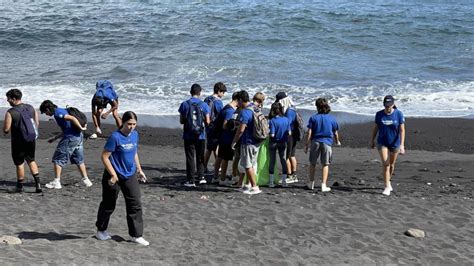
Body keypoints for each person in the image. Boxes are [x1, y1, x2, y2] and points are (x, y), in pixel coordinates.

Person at [95, 111, 149, 246]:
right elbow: (104, 156)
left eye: (134, 124)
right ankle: (101, 230)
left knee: (135, 204)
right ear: (123, 123)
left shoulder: (135, 135)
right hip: (114, 175)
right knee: (108, 204)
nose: (131, 127)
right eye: (129, 124)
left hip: (129, 175)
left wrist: (139, 170)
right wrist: (113, 175)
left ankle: (136, 235)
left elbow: (134, 152)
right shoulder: (115, 137)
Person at [39, 100, 93, 189]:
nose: (46, 114)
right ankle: (86, 181)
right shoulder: (62, 110)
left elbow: (72, 118)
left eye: (45, 112)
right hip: (78, 137)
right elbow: (67, 128)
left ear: (48, 109)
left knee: (58, 159)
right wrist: (55, 138)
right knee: (79, 160)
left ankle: (56, 182)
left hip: (70, 138)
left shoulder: (57, 113)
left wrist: (81, 128)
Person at [3, 89, 42, 193]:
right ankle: (38, 185)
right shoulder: (31, 107)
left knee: (19, 163)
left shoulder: (10, 112)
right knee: (31, 160)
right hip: (31, 138)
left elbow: (6, 129)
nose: (7, 100)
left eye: (9, 98)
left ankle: (20, 187)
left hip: (18, 142)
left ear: (14, 99)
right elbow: (36, 123)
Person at [370, 95, 405, 196]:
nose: (388, 108)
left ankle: (388, 181)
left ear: (393, 105)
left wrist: (402, 145)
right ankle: (386, 186)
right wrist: (372, 140)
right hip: (382, 142)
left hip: (395, 143)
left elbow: (402, 130)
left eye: (389, 106)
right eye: (386, 106)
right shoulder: (379, 114)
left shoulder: (399, 114)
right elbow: (375, 128)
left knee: (392, 164)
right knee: (386, 164)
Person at [305, 98, 341, 192]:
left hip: (315, 141)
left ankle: (311, 182)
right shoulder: (331, 118)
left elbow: (309, 132)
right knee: (325, 164)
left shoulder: (313, 118)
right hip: (327, 142)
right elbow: (335, 132)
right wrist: (337, 141)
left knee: (312, 163)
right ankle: (323, 185)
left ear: (317, 107)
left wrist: (307, 144)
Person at [178, 84, 211, 187]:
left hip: (188, 134)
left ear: (190, 92)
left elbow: (182, 121)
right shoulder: (204, 105)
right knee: (200, 156)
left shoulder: (185, 104)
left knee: (190, 157)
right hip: (200, 135)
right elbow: (208, 121)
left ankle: (190, 180)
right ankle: (201, 177)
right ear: (200, 93)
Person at [231, 90, 262, 195]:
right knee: (252, 163)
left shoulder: (245, 112)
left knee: (247, 165)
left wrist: (234, 141)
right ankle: (247, 185)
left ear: (240, 100)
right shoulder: (255, 107)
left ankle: (254, 186)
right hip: (257, 140)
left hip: (248, 141)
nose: (237, 103)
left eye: (237, 101)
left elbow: (241, 129)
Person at [212, 91, 239, 185]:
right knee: (225, 158)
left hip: (222, 137)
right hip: (227, 137)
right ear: (237, 100)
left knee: (220, 157)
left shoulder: (226, 107)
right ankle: (222, 179)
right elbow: (225, 125)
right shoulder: (230, 111)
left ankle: (215, 177)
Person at [275, 91, 299, 183]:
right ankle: (294, 174)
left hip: (289, 135)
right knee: (292, 155)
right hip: (294, 134)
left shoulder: (289, 111)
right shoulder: (293, 108)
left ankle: (290, 175)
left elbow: (287, 124)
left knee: (287, 156)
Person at [203, 82, 227, 174]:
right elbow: (221, 114)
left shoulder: (207, 99)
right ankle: (205, 166)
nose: (223, 94)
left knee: (212, 146)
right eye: (222, 92)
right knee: (211, 147)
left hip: (207, 126)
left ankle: (217, 166)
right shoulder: (218, 102)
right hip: (215, 127)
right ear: (219, 91)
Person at [268, 102, 291, 187]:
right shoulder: (286, 119)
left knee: (272, 161)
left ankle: (271, 182)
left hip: (273, 142)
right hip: (283, 142)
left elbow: (272, 134)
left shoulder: (272, 121)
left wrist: (268, 133)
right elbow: (289, 132)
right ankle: (284, 182)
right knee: (283, 160)